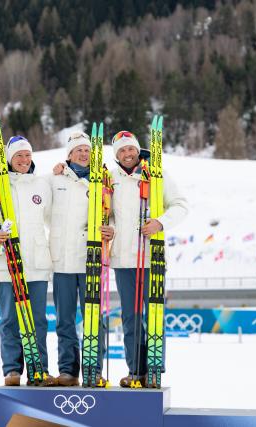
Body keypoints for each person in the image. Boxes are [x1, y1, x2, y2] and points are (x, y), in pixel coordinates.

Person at [0, 135, 56, 387]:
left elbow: (55, 218)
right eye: (18, 155)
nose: (24, 159)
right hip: (6, 263)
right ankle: (12, 369)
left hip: (36, 263)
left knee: (38, 319)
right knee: (9, 319)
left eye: (27, 155)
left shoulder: (42, 184)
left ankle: (38, 368)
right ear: (9, 158)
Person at [106, 130, 188, 387]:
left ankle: (153, 368)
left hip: (151, 258)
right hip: (124, 260)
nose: (127, 154)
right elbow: (106, 211)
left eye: (131, 149)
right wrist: (107, 227)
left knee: (153, 315)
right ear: (116, 155)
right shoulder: (110, 178)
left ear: (137, 150)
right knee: (130, 317)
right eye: (122, 151)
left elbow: (180, 205)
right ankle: (135, 370)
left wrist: (159, 223)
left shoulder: (156, 173)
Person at [49, 131, 111, 387]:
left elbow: (114, 213)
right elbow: (38, 206)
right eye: (78, 150)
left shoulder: (105, 180)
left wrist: (112, 228)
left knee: (94, 318)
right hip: (62, 262)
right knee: (64, 319)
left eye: (87, 150)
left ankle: (93, 369)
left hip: (91, 259)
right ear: (69, 154)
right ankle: (68, 371)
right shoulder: (55, 180)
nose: (84, 154)